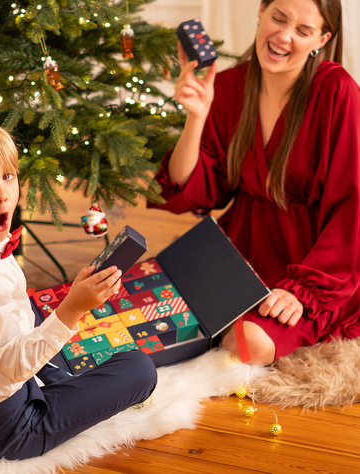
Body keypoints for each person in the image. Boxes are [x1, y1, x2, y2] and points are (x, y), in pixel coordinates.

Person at [0, 116, 157, 460]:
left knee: (36, 318)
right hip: (7, 430)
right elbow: (14, 367)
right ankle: (62, 385)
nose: (2, 194)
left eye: (7, 176)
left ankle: (59, 376)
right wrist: (74, 308)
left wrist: (67, 305)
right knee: (140, 370)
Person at [149, 0, 360, 366]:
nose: (283, 36)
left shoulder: (337, 92)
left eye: (303, 30)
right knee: (154, 313)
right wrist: (196, 117)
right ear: (261, 11)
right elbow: (196, 190)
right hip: (240, 250)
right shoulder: (231, 85)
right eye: (278, 18)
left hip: (317, 264)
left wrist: (303, 292)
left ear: (322, 39)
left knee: (246, 345)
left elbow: (352, 209)